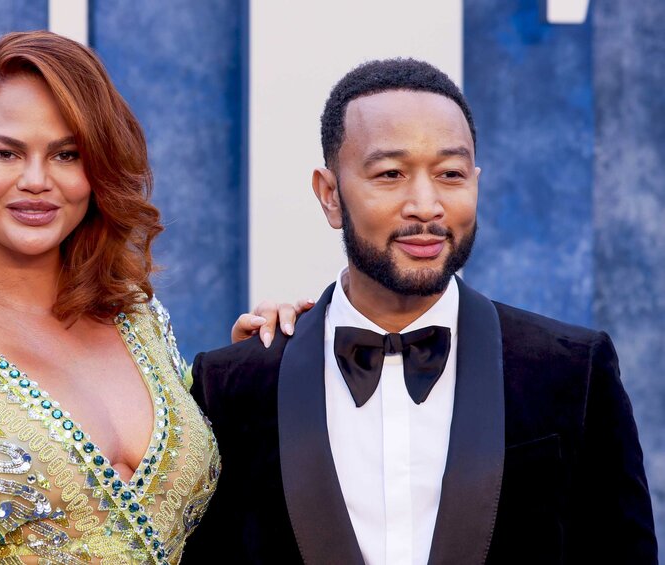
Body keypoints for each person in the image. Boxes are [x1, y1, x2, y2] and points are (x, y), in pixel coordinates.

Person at [0, 31, 295, 565]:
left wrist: (252, 364)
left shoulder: (137, 316)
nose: (38, 181)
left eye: (67, 154)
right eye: (5, 153)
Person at [184, 59, 658, 564]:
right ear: (330, 195)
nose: (426, 206)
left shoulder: (574, 370)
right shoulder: (234, 383)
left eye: (450, 174)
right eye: (390, 174)